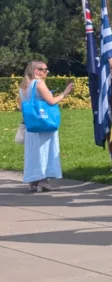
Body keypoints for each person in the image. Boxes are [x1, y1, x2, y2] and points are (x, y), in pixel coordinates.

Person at [19, 61, 73, 193]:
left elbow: (21, 107)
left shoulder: (23, 86)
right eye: (44, 69)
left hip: (31, 125)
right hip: (44, 124)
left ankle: (33, 181)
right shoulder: (39, 83)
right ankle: (43, 181)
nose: (46, 72)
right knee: (45, 151)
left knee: (32, 152)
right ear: (36, 71)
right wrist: (65, 93)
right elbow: (51, 101)